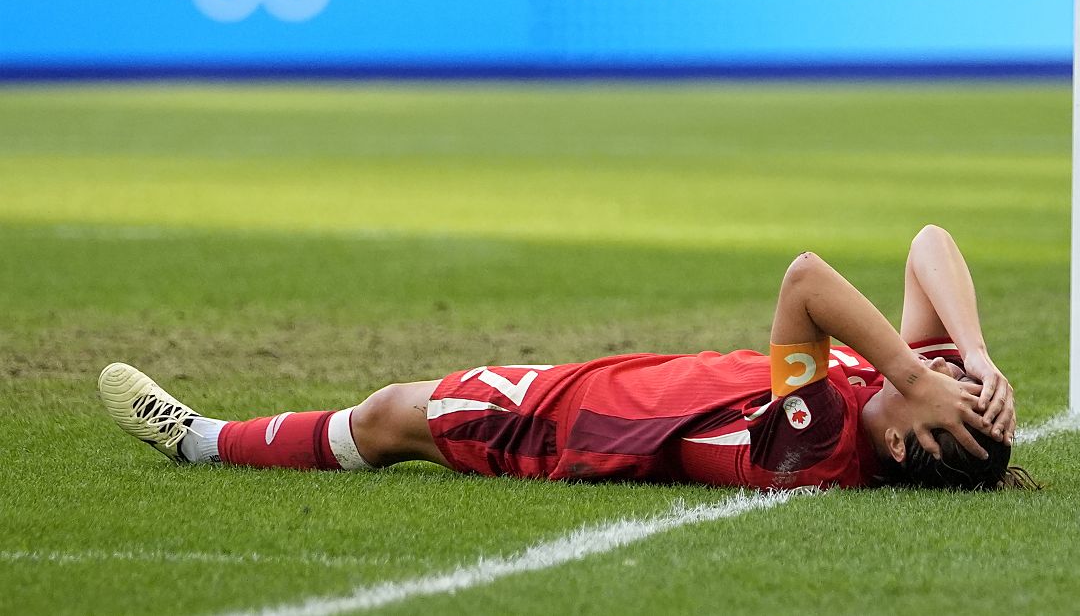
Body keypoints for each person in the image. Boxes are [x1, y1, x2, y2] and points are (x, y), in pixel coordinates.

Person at [98, 225, 1027, 491]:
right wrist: (975, 356)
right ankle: (209, 438)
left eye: (943, 394)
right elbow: (931, 242)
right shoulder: (901, 398)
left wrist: (911, 372)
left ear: (906, 445)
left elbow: (805, 281)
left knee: (389, 416)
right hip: (626, 380)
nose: (937, 376)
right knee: (395, 410)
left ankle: (201, 440)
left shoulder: (817, 440)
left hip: (572, 425)